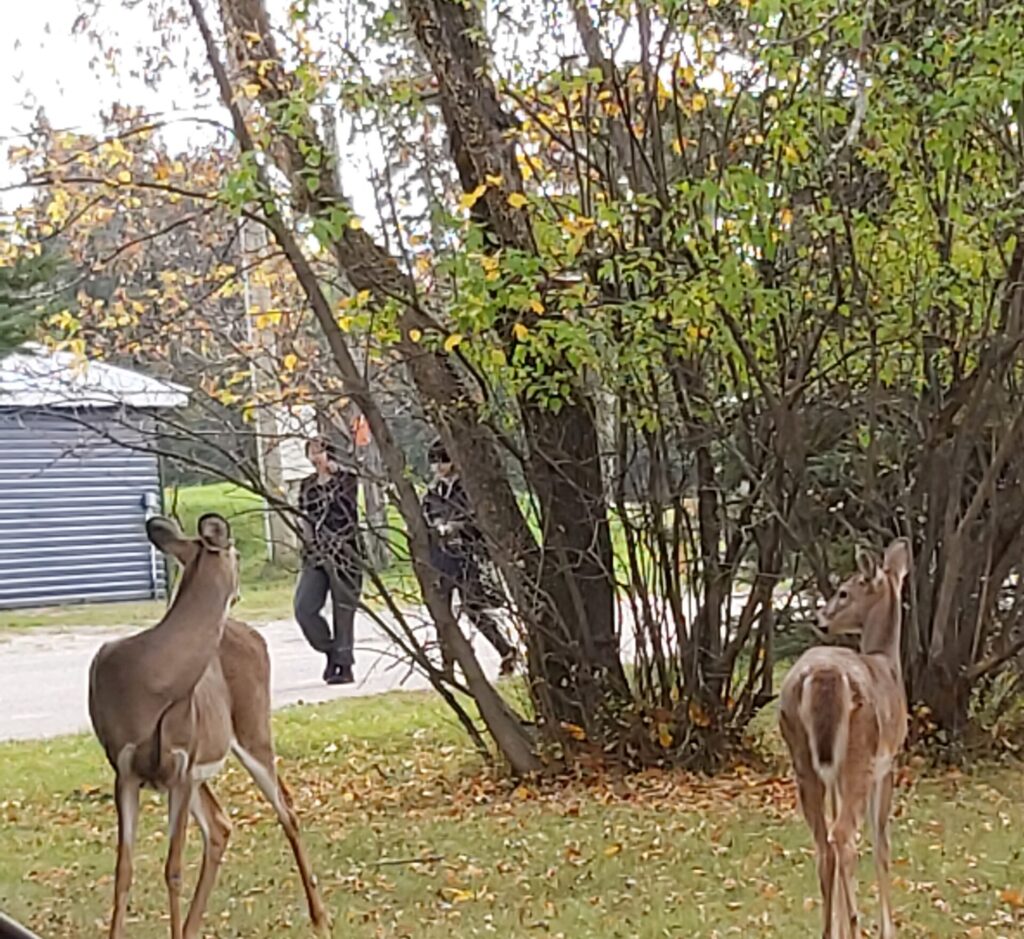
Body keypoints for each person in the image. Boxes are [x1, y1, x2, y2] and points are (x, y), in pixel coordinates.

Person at [422, 439, 516, 676]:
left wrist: (455, 527)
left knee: (473, 607)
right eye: (434, 462)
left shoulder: (466, 489)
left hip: (466, 555)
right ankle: (448, 663)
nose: (439, 467)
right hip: (441, 557)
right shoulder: (432, 494)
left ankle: (505, 650)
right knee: (441, 611)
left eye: (443, 460)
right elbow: (425, 521)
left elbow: (475, 520)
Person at [294, 435, 364, 685]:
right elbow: (303, 516)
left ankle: (344, 666)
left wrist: (337, 472)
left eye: (319, 452)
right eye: (311, 452)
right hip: (316, 555)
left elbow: (350, 499)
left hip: (346, 553)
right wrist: (308, 542)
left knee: (343, 610)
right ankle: (330, 649)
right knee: (304, 608)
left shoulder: (345, 480)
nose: (315, 457)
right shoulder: (307, 486)